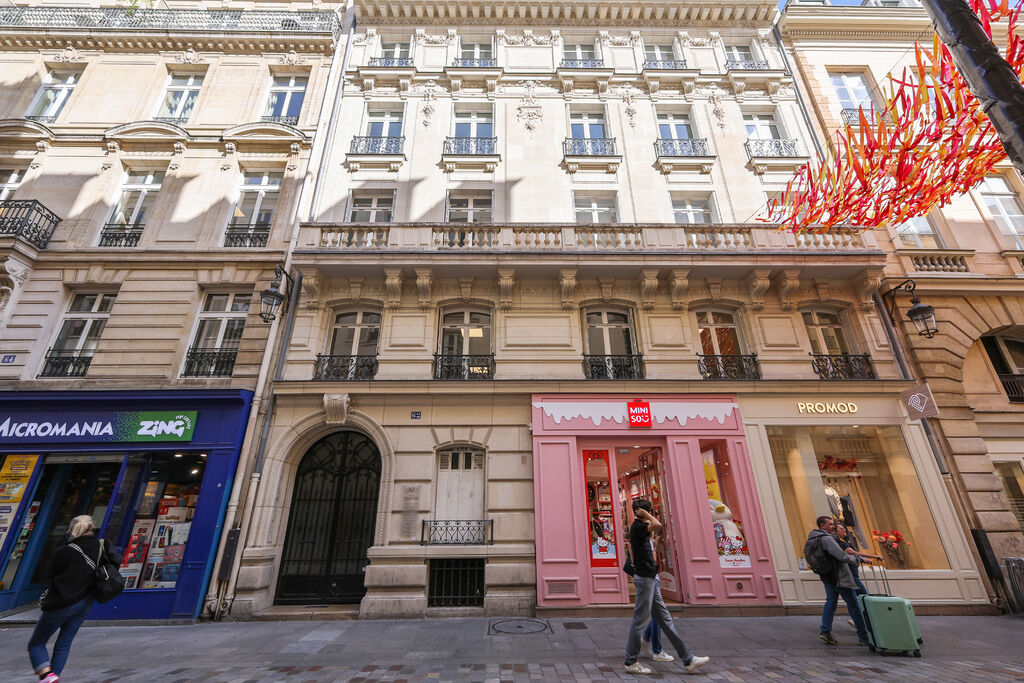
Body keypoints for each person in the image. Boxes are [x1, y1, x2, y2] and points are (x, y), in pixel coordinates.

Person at [27, 515, 120, 682]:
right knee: (64, 642)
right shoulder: (101, 547)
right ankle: (54, 677)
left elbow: (47, 573)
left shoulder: (64, 551)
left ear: (71, 530)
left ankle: (46, 674)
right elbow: (115, 563)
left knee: (37, 643)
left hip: (61, 602)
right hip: (85, 602)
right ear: (92, 529)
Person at [624, 499, 709, 675]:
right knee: (639, 622)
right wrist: (646, 514)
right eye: (648, 512)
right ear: (641, 512)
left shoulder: (641, 528)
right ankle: (630, 661)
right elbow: (658, 524)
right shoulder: (638, 527)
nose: (651, 515)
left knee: (665, 619)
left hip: (651, 578)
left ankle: (688, 659)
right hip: (645, 579)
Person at [806, 516, 868, 646]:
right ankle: (864, 635)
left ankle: (826, 630)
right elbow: (841, 555)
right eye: (830, 524)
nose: (833, 526)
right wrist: (857, 560)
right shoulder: (827, 539)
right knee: (853, 605)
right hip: (839, 576)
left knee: (831, 602)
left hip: (828, 576)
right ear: (822, 526)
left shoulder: (814, 537)